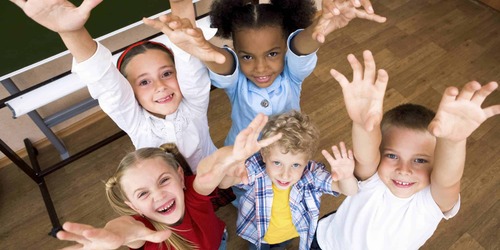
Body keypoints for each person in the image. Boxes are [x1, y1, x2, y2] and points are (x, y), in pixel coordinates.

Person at [143, 0, 385, 207]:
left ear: (284, 50)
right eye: (247, 57)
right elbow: (223, 62)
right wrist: (205, 50)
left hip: (289, 161)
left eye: (272, 54)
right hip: (244, 167)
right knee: (250, 202)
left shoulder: (292, 74)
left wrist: (317, 29)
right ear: (236, 52)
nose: (260, 68)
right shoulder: (236, 81)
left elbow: (301, 48)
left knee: (284, 199)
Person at [312, 50, 500, 249]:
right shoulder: (373, 179)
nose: (404, 169)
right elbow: (366, 154)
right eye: (392, 155)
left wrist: (453, 142)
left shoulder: (431, 202)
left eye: (420, 160)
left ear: (437, 163)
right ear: (379, 153)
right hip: (325, 242)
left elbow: (448, 180)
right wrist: (361, 122)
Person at [10, 0, 221, 174]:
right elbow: (105, 81)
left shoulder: (194, 102)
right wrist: (71, 32)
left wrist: (181, 3)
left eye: (166, 73)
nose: (160, 86)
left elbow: (185, 51)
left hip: (216, 176)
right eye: (144, 82)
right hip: (172, 196)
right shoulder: (135, 122)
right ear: (130, 91)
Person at [55, 113, 282, 250]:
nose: (159, 195)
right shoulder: (143, 230)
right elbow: (128, 229)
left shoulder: (193, 193)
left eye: (164, 180)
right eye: (142, 194)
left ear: (181, 177)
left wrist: (230, 156)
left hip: (217, 242)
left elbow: (208, 171)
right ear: (133, 207)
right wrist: (118, 235)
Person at [225, 110, 358, 250]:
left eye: (295, 165)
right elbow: (224, 184)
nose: (285, 175)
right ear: (264, 155)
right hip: (258, 235)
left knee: (281, 245)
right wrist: (231, 165)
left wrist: (347, 176)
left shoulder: (312, 175)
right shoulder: (256, 169)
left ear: (306, 162)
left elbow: (350, 190)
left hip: (291, 234)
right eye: (277, 163)